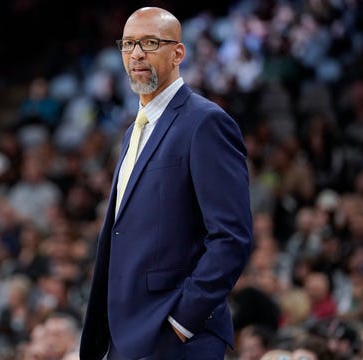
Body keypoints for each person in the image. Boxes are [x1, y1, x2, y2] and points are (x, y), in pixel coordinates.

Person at [79, 7, 253, 360]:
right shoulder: (133, 132)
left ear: (178, 53)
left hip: (175, 336)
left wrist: (182, 320)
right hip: (126, 335)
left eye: (150, 42)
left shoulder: (205, 123)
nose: (137, 53)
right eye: (128, 44)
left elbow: (231, 236)